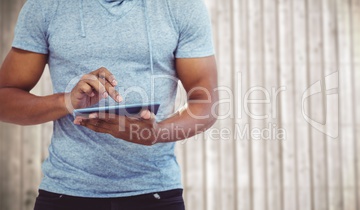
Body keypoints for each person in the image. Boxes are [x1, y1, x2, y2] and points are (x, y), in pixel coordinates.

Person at [0, 0, 218, 209]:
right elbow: (5, 98)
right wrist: (66, 101)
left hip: (155, 191)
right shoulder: (46, 5)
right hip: (66, 192)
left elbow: (206, 104)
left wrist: (157, 133)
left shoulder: (181, 6)